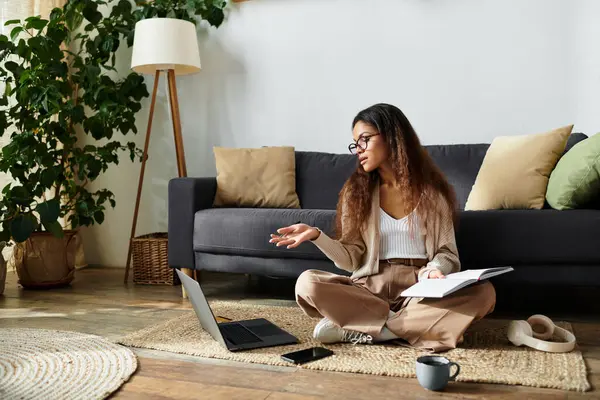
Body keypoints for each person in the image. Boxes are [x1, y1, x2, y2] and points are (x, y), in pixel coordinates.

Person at [269, 103, 496, 352]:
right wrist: (317, 236)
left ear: (392, 137)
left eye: (365, 139)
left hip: (420, 289)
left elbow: (448, 253)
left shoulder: (433, 195)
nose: (359, 149)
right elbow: (351, 259)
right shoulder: (355, 193)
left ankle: (373, 330)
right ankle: (417, 328)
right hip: (368, 289)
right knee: (307, 283)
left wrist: (434, 270)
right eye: (355, 143)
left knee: (484, 292)